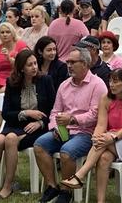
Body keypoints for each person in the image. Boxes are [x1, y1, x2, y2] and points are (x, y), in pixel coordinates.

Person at [0, 49, 56, 200]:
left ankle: (8, 186)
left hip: (38, 127)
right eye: (29, 65)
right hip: (16, 123)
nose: (34, 67)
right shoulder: (12, 82)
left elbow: (53, 109)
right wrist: (26, 113)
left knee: (11, 139)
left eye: (35, 63)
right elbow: (6, 113)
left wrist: (40, 122)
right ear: (21, 68)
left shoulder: (46, 80)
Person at [34, 48, 107, 203]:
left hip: (86, 132)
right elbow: (55, 111)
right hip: (63, 130)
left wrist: (72, 120)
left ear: (85, 64)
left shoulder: (97, 85)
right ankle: (52, 186)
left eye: (73, 62)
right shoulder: (64, 85)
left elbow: (95, 115)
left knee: (66, 152)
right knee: (39, 145)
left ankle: (66, 191)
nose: (68, 65)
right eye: (67, 62)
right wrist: (55, 127)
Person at [61, 69, 122, 203]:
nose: (111, 84)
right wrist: (97, 136)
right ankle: (101, 201)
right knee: (104, 158)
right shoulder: (105, 98)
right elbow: (101, 124)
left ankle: (80, 175)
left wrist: (112, 137)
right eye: (110, 80)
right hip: (109, 139)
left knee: (103, 142)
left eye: (115, 81)